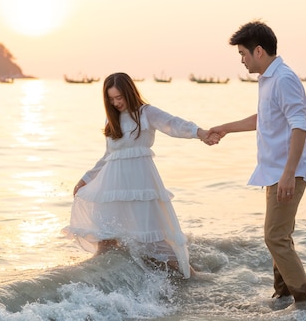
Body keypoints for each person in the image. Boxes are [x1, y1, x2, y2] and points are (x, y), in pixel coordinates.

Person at [64, 72, 213, 279]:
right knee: (105, 243)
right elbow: (109, 156)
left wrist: (200, 133)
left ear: (129, 93)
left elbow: (173, 124)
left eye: (120, 98)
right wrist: (86, 179)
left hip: (141, 187)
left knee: (154, 242)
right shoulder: (111, 118)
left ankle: (192, 277)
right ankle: (110, 288)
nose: (116, 103)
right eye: (111, 99)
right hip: (112, 190)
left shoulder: (146, 113)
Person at [208, 21, 306, 307]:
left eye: (243, 53)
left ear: (258, 51)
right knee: (280, 237)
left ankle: (304, 303)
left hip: (286, 172)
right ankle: (283, 296)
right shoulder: (268, 79)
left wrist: (289, 173)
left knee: (275, 237)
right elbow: (262, 119)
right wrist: (225, 128)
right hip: (275, 172)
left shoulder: (284, 79)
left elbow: (300, 126)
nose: (241, 59)